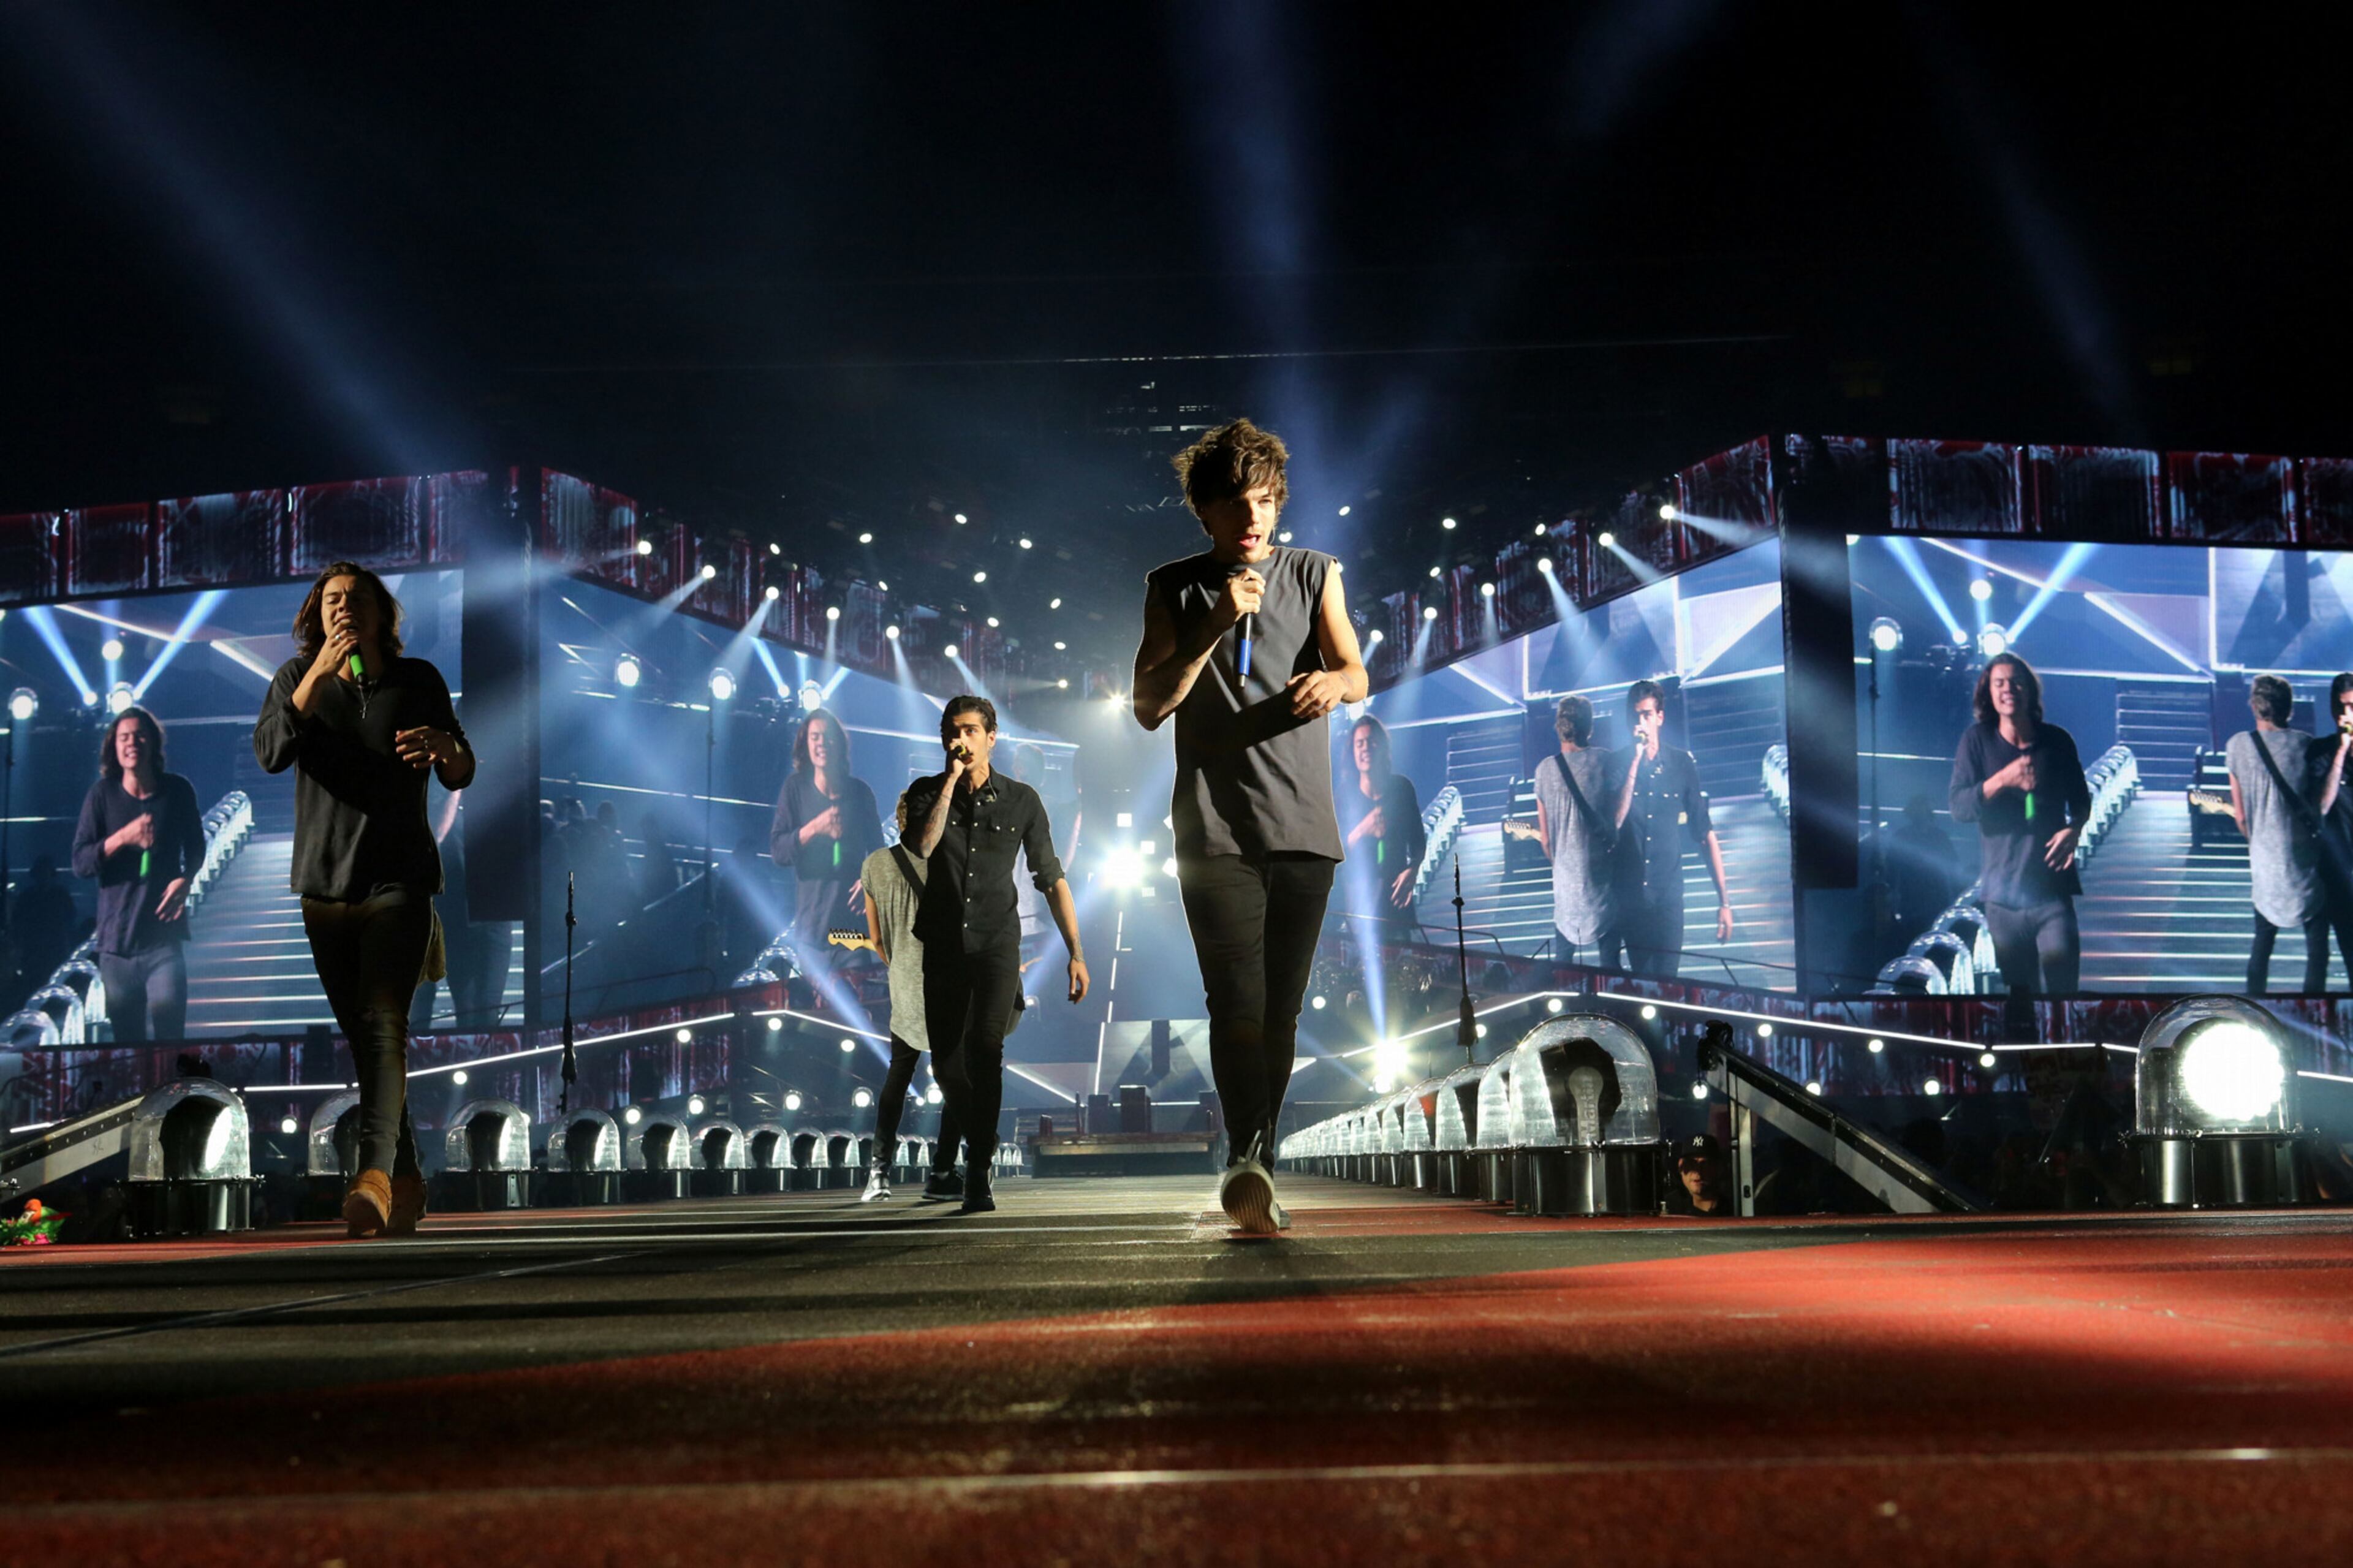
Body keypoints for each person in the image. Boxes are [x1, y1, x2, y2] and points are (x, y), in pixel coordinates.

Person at [1130, 418, 1365, 1235]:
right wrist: (1214, 623)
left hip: (1304, 827)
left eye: (1264, 500)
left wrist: (1336, 684)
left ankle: (1258, 1158)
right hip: (1214, 832)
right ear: (1205, 512)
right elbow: (1149, 706)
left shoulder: (1315, 572)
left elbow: (1357, 669)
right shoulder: (1173, 587)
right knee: (1235, 1000)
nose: (1253, 517)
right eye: (1236, 504)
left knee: (1281, 1012)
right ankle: (1249, 1156)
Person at [253, 561, 475, 1239]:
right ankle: (406, 1179)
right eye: (331, 600)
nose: (343, 608)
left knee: (383, 1026)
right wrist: (318, 673)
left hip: (400, 880)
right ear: (316, 615)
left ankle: (371, 1177)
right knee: (365, 1038)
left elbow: (462, 768)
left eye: (354, 599)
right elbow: (270, 753)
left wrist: (445, 747)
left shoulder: (418, 679)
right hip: (325, 885)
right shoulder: (297, 679)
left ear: (381, 614)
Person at [907, 695, 1088, 1214]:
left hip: (996, 943)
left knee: (986, 1048)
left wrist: (1076, 952)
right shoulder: (925, 793)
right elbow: (921, 847)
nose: (959, 740)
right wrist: (949, 782)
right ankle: (981, 1141)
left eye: (969, 730)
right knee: (946, 1066)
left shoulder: (1021, 800)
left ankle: (977, 1170)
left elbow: (1051, 878)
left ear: (991, 737)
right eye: (951, 731)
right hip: (943, 944)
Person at [1947, 653, 2089, 1037]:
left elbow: (2081, 800)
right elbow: (1959, 807)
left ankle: (2068, 1060)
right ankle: (2027, 1068)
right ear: (1989, 693)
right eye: (1999, 683)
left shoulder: (2057, 741)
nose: (2008, 690)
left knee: (2063, 994)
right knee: (2021, 1000)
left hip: (2052, 892)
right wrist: (2002, 780)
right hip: (2003, 896)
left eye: (2016, 682)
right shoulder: (1976, 741)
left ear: (2029, 690)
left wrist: (2074, 829)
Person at [69, 708, 205, 1043]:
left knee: (170, 1044)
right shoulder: (101, 795)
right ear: (114, 746)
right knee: (129, 1049)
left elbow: (197, 846)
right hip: (116, 947)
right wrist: (122, 838)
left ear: (153, 742)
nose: (132, 743)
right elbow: (81, 863)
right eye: (124, 737)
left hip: (164, 941)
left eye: (140, 735)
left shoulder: (178, 790)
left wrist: (186, 879)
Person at [858, 786, 964, 1203]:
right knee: (955, 1079)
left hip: (903, 986)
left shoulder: (874, 865)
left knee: (898, 1077)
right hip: (948, 986)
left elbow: (875, 938)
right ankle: (942, 1170)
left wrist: (900, 965)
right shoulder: (951, 859)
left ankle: (878, 1173)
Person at [1602, 680, 1733, 977]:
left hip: (1668, 897)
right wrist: (1635, 761)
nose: (1640, 724)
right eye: (1635, 716)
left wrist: (1724, 902)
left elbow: (1704, 834)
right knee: (1645, 982)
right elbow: (1615, 822)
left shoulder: (1681, 763)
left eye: (1647, 715)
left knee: (1668, 982)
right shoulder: (1617, 764)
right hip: (1632, 899)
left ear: (1660, 717)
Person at [2229, 675, 2328, 993]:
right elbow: (2319, 805)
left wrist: (2258, 842)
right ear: (2289, 708)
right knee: (2317, 949)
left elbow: (2241, 816)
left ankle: (2255, 1004)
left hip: (2265, 862)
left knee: (2262, 945)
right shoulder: (2304, 745)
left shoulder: (2238, 746)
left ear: (2254, 705)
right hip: (2304, 860)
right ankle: (2315, 1006)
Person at [768, 707, 883, 970]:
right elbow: (778, 852)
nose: (821, 743)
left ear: (839, 744)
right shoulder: (795, 789)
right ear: (806, 744)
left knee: (854, 995)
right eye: (815, 737)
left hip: (850, 930)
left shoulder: (860, 793)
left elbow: (880, 853)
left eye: (828, 737)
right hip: (812, 932)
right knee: (815, 999)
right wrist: (813, 828)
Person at [1531, 694, 1632, 966]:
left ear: (1559, 726)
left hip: (1565, 894)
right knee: (1610, 967)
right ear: (1590, 727)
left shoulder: (1544, 771)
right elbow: (1618, 818)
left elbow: (1546, 839)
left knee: (1563, 968)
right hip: (1603, 890)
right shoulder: (1604, 761)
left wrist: (1563, 866)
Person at [1338, 714, 1426, 939]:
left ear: (1383, 748)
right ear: (1352, 752)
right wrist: (1362, 830)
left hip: (1396, 903)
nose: (1366, 748)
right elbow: (1335, 852)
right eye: (1360, 743)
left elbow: (1418, 841)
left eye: (1371, 742)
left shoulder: (1402, 788)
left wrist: (1413, 870)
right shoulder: (1344, 796)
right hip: (1361, 905)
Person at [7, 854, 81, 1004]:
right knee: (33, 987)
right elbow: (18, 923)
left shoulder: (60, 895)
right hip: (33, 951)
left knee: (55, 985)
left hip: (56, 950)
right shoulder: (27, 897)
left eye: (46, 872)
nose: (43, 876)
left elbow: (70, 921)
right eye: (41, 872)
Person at [1666, 1132, 1732, 1216]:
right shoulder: (1670, 1211)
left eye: (1705, 1164)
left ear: (1719, 1168)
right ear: (1681, 1168)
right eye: (1691, 1164)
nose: (1698, 1171)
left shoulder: (1734, 1209)